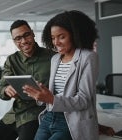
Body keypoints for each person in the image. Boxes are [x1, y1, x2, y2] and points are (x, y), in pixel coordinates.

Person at [23, 10, 99, 140]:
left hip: (71, 121)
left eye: (61, 37)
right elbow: (54, 93)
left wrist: (51, 99)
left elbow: (84, 100)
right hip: (50, 116)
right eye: (53, 38)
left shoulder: (88, 57)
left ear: (75, 35)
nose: (56, 42)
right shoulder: (55, 59)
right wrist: (40, 94)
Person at [0, 20, 55, 140]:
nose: (23, 41)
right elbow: (2, 89)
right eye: (18, 38)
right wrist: (7, 90)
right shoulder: (11, 60)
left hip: (37, 114)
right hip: (14, 114)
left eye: (26, 35)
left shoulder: (52, 57)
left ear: (32, 34)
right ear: (14, 41)